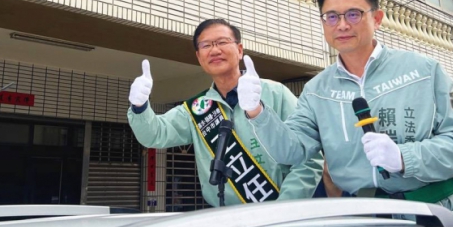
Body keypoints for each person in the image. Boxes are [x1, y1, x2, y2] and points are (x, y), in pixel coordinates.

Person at [241, 0, 453, 219]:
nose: (342, 25)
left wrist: (404, 157)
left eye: (353, 14)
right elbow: (291, 151)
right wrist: (256, 111)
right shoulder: (317, 89)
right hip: (367, 221)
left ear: (377, 19)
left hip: (438, 212)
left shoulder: (423, 71)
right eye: (332, 17)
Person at [127, 19, 322, 207]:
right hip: (224, 218)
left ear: (239, 50)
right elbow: (155, 134)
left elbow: (309, 158)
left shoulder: (275, 93)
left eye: (222, 42)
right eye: (206, 45)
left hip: (280, 216)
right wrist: (139, 106)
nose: (214, 50)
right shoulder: (198, 108)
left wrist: (283, 208)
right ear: (198, 57)